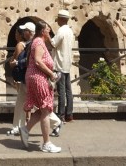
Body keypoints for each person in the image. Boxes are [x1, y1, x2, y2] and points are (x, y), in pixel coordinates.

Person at [16, 21, 61, 154]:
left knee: (42, 110)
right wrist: (51, 74)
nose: (49, 32)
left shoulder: (36, 42)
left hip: (34, 77)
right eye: (48, 30)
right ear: (43, 31)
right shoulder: (39, 42)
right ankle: (46, 143)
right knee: (46, 109)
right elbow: (38, 60)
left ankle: (25, 129)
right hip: (38, 78)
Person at [5, 22, 35, 137]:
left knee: (39, 105)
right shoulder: (28, 44)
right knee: (20, 103)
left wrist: (16, 62)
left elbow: (29, 61)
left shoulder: (32, 44)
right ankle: (17, 127)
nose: (23, 33)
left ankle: (56, 122)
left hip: (30, 77)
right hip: (25, 77)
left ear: (29, 32)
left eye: (24, 30)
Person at [51, 10, 75, 130]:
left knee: (61, 90)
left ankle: (61, 115)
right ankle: (69, 114)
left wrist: (47, 38)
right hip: (67, 63)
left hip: (60, 63)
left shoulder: (61, 31)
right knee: (68, 90)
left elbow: (54, 43)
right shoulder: (70, 30)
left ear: (61, 19)